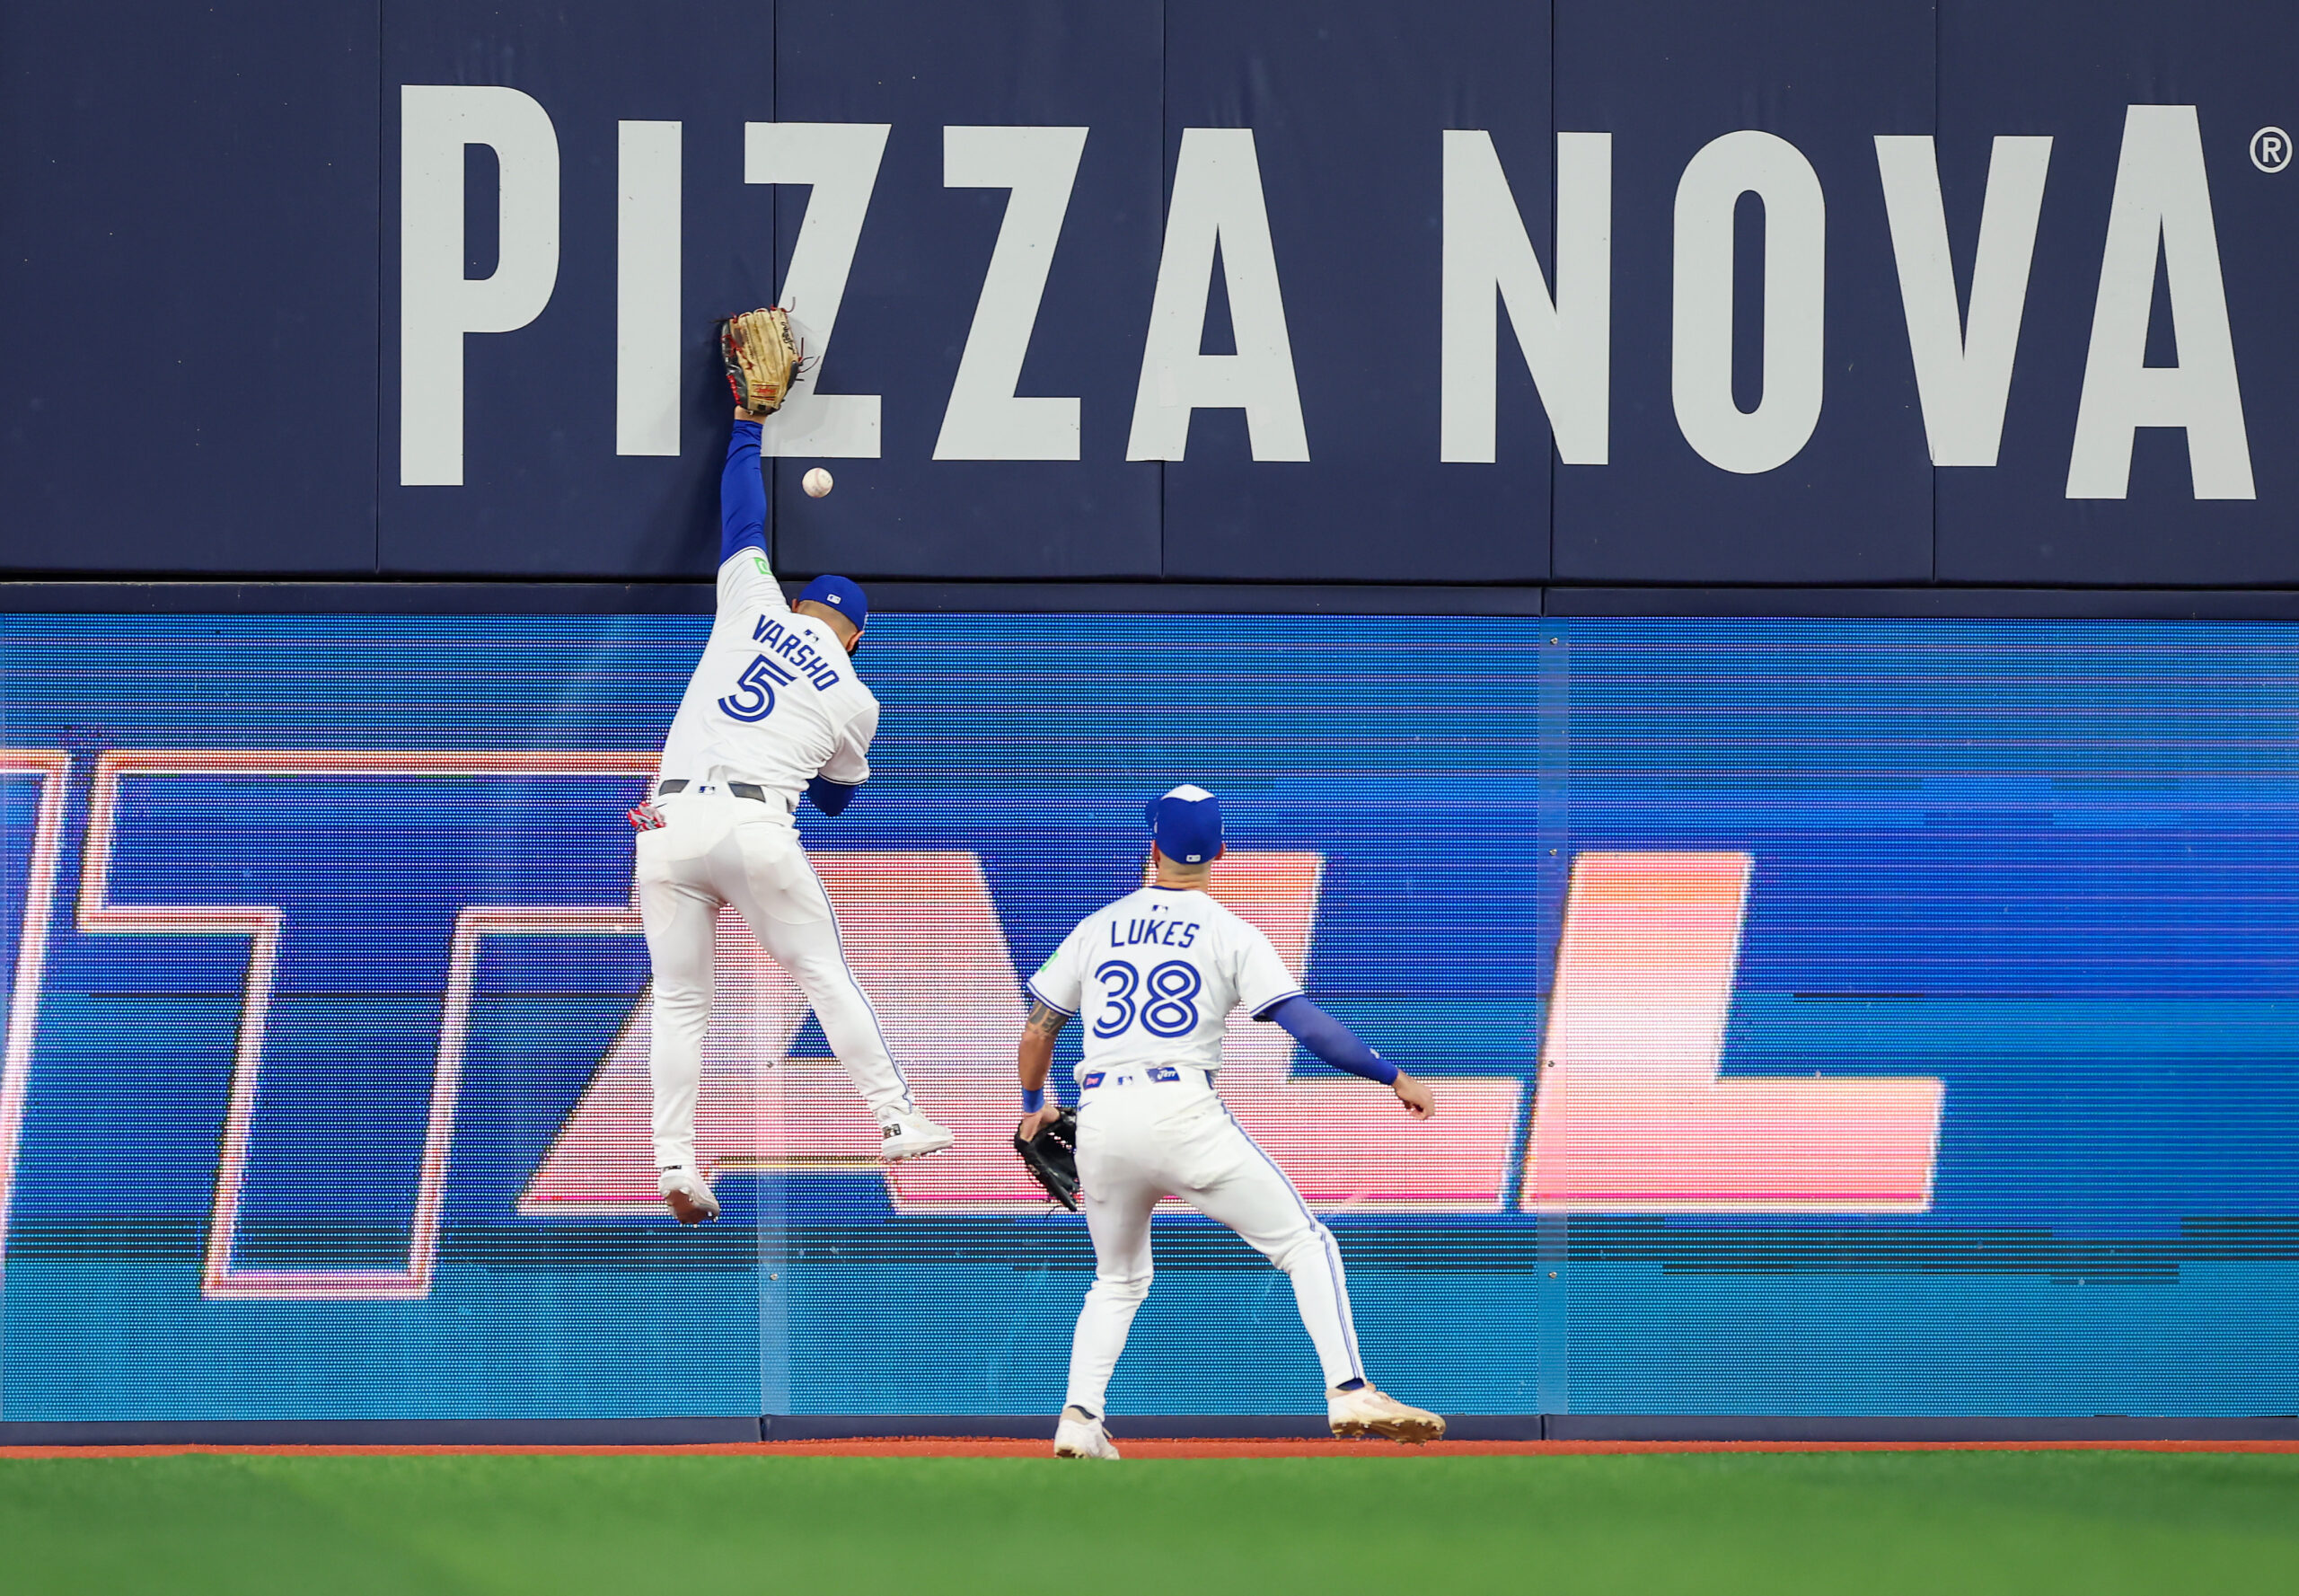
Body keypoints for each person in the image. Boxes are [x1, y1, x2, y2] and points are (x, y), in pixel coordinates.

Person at [1016, 784, 1446, 1457]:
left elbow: (1040, 1029)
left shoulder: (1098, 926)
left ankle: (1078, 1417)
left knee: (1118, 1279)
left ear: (1151, 846)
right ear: (1220, 850)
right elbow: (1307, 1027)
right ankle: (1350, 1388)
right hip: (1181, 1110)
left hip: (1101, 1115)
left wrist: (1032, 1104)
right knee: (1306, 1244)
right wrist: (1393, 1076)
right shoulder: (1231, 932)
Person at [633, 390, 952, 1225]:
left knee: (680, 1001)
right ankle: (893, 1116)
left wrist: (746, 427)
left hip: (664, 824)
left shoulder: (750, 602)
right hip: (753, 825)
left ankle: (674, 1158)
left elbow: (742, 520)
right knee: (820, 971)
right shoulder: (854, 695)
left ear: (803, 604)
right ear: (853, 635)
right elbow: (838, 800)